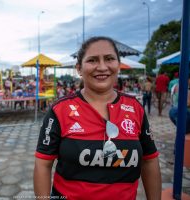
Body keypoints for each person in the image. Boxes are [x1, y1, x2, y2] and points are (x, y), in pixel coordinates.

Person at [34, 36, 161, 200]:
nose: (102, 67)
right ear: (79, 68)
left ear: (118, 65)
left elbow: (149, 161)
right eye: (92, 60)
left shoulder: (135, 108)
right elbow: (43, 164)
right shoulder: (60, 110)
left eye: (109, 59)